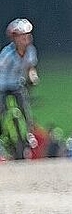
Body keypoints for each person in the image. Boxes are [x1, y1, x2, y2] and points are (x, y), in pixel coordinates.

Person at [0, 18, 39, 157]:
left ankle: (29, 134)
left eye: (28, 35)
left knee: (24, 108)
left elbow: (30, 68)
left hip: (17, 84)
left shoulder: (30, 51)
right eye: (22, 36)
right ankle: (3, 137)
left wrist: (33, 76)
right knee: (1, 110)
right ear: (15, 39)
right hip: (3, 85)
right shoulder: (7, 54)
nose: (26, 39)